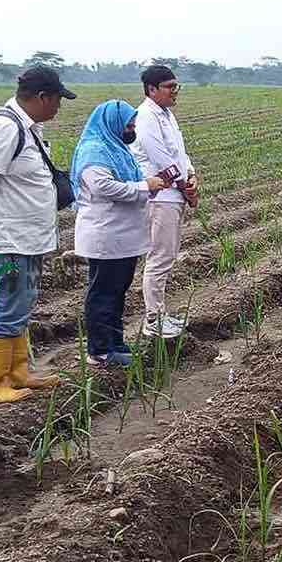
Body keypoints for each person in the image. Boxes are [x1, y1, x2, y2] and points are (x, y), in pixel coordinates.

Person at [0, 66, 75, 402]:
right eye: (57, 100)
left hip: (27, 240)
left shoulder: (25, 127)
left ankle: (18, 371)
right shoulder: (4, 128)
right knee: (6, 305)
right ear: (41, 97)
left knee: (21, 303)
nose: (58, 107)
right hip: (8, 241)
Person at [72, 100, 168, 367]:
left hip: (121, 236)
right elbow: (103, 186)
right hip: (106, 235)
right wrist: (143, 186)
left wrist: (148, 187)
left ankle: (114, 342)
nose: (132, 128)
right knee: (103, 292)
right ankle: (100, 350)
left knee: (116, 291)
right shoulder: (95, 150)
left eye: (133, 123)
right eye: (128, 124)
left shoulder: (117, 149)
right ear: (113, 123)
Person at [131, 65, 200, 339]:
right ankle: (153, 319)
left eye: (176, 86)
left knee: (166, 255)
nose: (175, 92)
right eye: (170, 87)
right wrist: (188, 187)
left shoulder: (166, 115)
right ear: (152, 89)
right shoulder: (146, 116)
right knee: (160, 257)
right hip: (161, 196)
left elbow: (179, 154)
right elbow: (160, 157)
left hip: (174, 194)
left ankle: (159, 314)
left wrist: (192, 175)